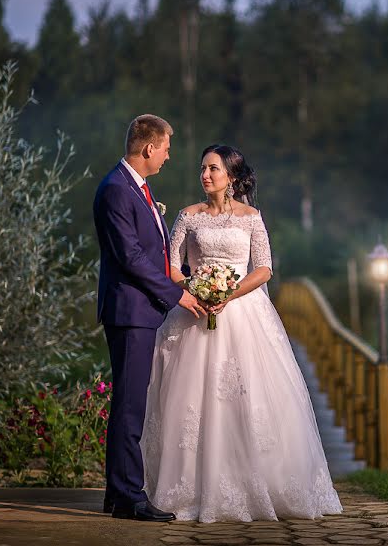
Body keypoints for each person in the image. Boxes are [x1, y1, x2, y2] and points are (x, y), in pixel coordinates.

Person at [140, 144, 342, 522]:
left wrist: (228, 293)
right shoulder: (187, 216)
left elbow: (264, 268)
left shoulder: (251, 217)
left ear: (231, 177)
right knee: (191, 400)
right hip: (195, 311)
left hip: (244, 312)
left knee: (247, 396)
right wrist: (196, 290)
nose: (205, 175)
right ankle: (189, 487)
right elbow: (170, 266)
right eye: (202, 168)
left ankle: (258, 482)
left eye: (213, 169)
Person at [93, 114, 206, 521]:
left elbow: (151, 251)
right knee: (130, 405)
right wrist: (176, 295)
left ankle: (116, 493)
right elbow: (131, 258)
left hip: (139, 309)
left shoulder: (135, 188)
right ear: (148, 148)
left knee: (129, 402)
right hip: (129, 311)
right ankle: (129, 497)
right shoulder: (116, 191)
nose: (168, 156)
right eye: (165, 148)